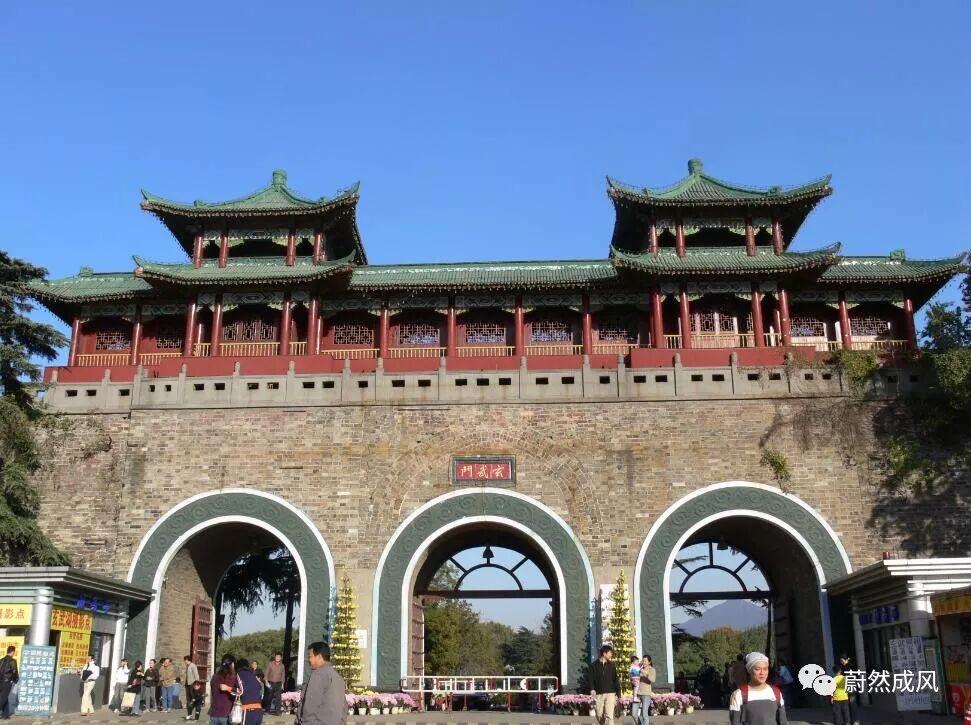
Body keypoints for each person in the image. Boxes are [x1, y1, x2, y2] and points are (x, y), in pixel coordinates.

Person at [728, 652, 787, 725]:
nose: (762, 673)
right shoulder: (738, 695)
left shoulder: (776, 692)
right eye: (757, 669)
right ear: (749, 670)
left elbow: (783, 722)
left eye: (765, 669)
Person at [295, 642, 346, 725]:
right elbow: (344, 708)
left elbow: (310, 705)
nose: (308, 660)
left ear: (319, 656)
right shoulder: (338, 677)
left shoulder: (318, 675)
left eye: (310, 656)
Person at [588, 644, 621, 725]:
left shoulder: (612, 665)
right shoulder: (593, 665)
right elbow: (591, 679)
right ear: (604, 653)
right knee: (599, 714)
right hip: (599, 693)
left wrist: (618, 693)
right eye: (610, 653)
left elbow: (615, 679)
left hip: (610, 693)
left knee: (610, 715)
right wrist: (592, 689)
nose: (611, 655)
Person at [210, 656, 241, 725]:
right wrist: (229, 688)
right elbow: (240, 691)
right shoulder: (233, 677)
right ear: (232, 664)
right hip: (226, 714)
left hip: (214, 713)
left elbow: (213, 692)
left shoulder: (214, 676)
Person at [236, 658, 264, 725]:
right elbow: (259, 687)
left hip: (248, 710)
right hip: (258, 710)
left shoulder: (239, 674)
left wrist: (228, 688)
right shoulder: (253, 675)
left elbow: (241, 690)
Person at [635, 655, 656, 725]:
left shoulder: (652, 670)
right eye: (643, 660)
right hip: (637, 693)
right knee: (634, 713)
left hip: (646, 694)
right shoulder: (639, 668)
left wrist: (645, 674)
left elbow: (653, 680)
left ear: (649, 662)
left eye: (645, 661)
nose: (643, 662)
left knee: (644, 714)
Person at [0, 645, 19, 720]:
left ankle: (5, 714)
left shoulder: (1, 660)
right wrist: (16, 680)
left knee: (4, 697)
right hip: (7, 682)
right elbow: (14, 671)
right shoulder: (12, 661)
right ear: (12, 652)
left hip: (0, 681)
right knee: (3, 698)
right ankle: (4, 714)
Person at [183, 655, 204, 721]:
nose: (184, 662)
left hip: (192, 684)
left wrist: (197, 684)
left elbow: (196, 675)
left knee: (193, 699)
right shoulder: (187, 666)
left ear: (187, 660)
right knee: (188, 699)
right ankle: (189, 713)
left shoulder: (193, 666)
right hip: (187, 684)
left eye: (185, 660)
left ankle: (196, 714)